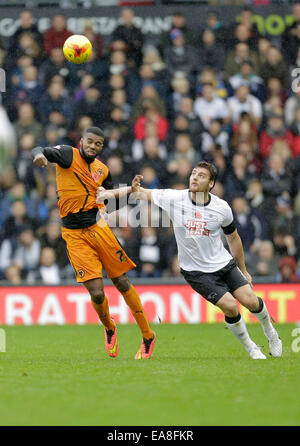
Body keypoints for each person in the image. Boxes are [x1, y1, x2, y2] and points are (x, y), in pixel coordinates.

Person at [97, 161, 282, 360]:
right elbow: (139, 192)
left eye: (201, 175)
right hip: (196, 271)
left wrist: (243, 269)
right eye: (194, 173)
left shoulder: (222, 208)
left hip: (223, 263)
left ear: (211, 184)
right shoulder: (175, 198)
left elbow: (233, 238)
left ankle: (270, 333)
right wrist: (109, 194)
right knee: (230, 306)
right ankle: (252, 348)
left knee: (251, 301)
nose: (194, 177)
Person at [32, 126, 156, 360]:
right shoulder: (68, 155)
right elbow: (41, 150)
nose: (92, 146)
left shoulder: (103, 170)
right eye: (89, 141)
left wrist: (130, 192)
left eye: (97, 144)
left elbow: (109, 202)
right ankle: (109, 327)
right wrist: (39, 156)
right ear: (81, 141)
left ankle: (148, 335)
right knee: (97, 295)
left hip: (99, 228)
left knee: (121, 281)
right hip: (74, 235)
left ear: (101, 147)